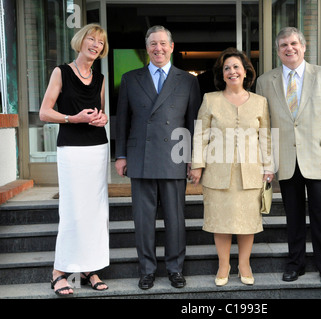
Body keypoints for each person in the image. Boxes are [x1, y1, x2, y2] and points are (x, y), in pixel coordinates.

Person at [255, 27, 321, 285]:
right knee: (292, 216)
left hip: (318, 157)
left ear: (303, 47)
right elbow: (264, 124)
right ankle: (296, 264)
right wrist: (267, 161)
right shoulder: (265, 81)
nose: (289, 48)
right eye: (283, 44)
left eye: (293, 43)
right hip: (284, 159)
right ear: (278, 50)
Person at [115, 25, 201, 290]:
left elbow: (193, 123)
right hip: (140, 157)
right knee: (143, 220)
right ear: (147, 48)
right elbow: (123, 121)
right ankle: (147, 270)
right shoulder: (130, 78)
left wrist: (193, 158)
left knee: (175, 219)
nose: (158, 48)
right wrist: (120, 155)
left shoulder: (187, 80)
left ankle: (175, 269)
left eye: (163, 43)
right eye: (153, 44)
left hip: (174, 157)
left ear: (172, 47)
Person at [189, 48, 274, 286]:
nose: (232, 71)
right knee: (221, 221)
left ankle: (244, 264)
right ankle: (224, 265)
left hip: (250, 172)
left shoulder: (260, 102)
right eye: (227, 68)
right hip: (218, 172)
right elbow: (200, 135)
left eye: (236, 67)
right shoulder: (210, 99)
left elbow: (265, 136)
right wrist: (197, 165)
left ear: (246, 72)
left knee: (248, 222)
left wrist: (269, 166)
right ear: (222, 74)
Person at [39, 24, 110, 296]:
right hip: (71, 149)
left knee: (95, 211)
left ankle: (89, 267)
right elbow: (45, 113)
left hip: (97, 148)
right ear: (80, 41)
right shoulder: (62, 71)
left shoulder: (100, 78)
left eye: (100, 42)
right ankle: (59, 271)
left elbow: (99, 113)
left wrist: (100, 118)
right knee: (72, 210)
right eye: (91, 39)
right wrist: (72, 118)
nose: (95, 45)